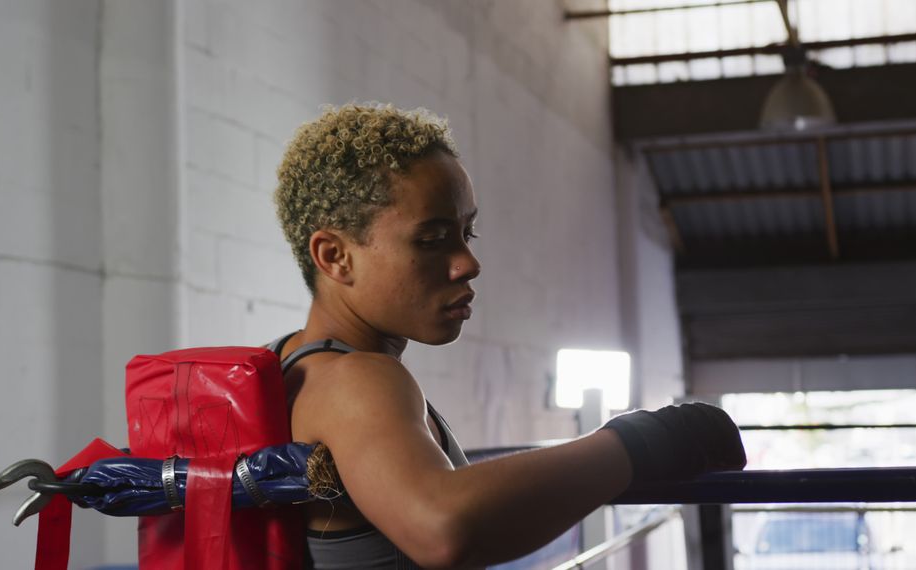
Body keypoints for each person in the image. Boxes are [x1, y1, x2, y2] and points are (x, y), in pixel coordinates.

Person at [269, 103, 746, 569]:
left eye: (466, 234)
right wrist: (646, 440)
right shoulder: (355, 380)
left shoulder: (290, 361)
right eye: (432, 240)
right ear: (334, 256)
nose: (467, 263)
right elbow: (444, 529)